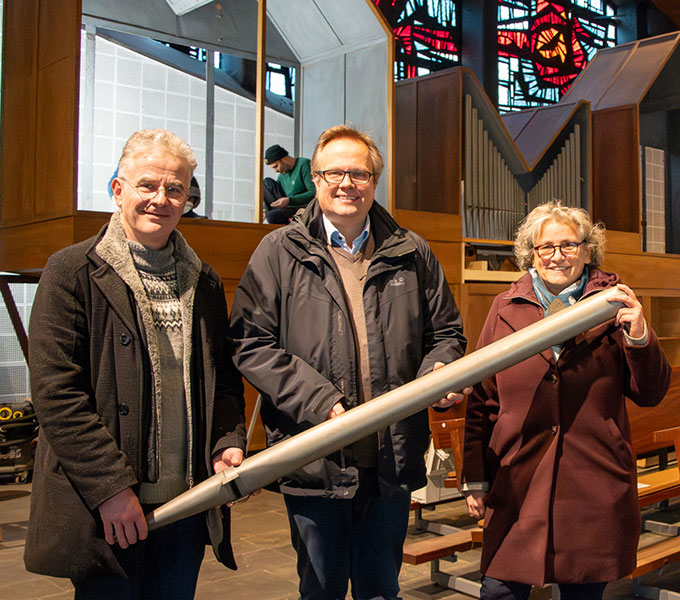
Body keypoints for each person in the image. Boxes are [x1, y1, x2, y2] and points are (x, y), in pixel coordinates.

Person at [230, 125, 468, 599]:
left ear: (374, 182)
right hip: (314, 456)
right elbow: (250, 341)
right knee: (321, 590)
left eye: (359, 173)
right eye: (334, 172)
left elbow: (446, 335)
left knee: (381, 589)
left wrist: (436, 377)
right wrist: (320, 399)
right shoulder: (278, 251)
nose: (346, 183)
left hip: (390, 459)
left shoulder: (411, 251)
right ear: (315, 179)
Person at [24, 129, 248, 599]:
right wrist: (110, 488)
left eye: (175, 189)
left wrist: (227, 441)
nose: (160, 199)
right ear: (118, 189)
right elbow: (56, 395)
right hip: (106, 512)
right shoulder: (71, 272)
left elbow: (224, 381)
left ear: (187, 200)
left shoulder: (204, 281)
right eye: (147, 184)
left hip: (187, 506)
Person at [461, 200, 671, 600]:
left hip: (591, 483)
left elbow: (651, 393)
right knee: (499, 592)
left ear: (588, 251)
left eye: (569, 245)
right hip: (517, 478)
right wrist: (474, 474)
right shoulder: (504, 308)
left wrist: (639, 334)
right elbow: (482, 399)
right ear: (532, 254)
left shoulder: (614, 303)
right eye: (546, 247)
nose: (557, 256)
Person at [262, 143, 316, 224]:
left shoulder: (303, 164)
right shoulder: (282, 175)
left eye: (276, 166)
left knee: (272, 216)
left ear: (284, 159)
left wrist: (289, 200)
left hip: (300, 209)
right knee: (267, 182)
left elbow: (314, 192)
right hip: (286, 207)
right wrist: (264, 209)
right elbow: (271, 192)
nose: (275, 171)